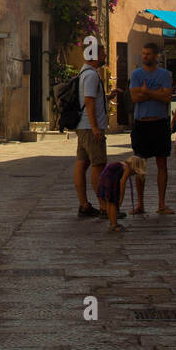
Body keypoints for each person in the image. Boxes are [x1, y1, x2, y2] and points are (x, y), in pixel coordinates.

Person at [129, 40, 175, 214]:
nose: (145, 56)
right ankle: (140, 203)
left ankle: (161, 203)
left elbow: (166, 97)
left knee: (162, 163)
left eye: (148, 53)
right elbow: (135, 97)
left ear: (156, 56)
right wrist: (156, 93)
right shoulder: (136, 74)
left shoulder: (164, 74)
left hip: (160, 123)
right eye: (143, 53)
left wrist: (146, 92)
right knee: (139, 164)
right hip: (142, 123)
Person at [74, 42, 109, 219]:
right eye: (102, 52)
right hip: (90, 127)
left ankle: (84, 204)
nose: (104, 55)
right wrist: (96, 127)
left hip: (83, 126)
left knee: (82, 164)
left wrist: (108, 97)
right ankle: (104, 207)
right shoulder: (91, 75)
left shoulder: (83, 72)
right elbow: (89, 101)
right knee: (99, 165)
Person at [97, 153, 145, 234]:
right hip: (110, 182)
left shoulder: (122, 164)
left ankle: (112, 223)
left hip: (103, 179)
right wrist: (120, 198)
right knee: (113, 204)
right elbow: (122, 182)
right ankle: (114, 224)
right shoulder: (127, 169)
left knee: (109, 203)